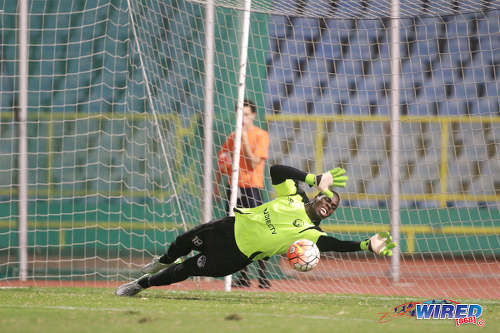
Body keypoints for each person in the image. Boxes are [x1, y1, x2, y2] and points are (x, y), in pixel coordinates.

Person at [115, 164, 397, 297]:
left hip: (236, 256)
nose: (329, 206)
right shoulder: (294, 195)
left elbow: (334, 244)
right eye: (327, 199)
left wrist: (365, 246)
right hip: (230, 227)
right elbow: (276, 170)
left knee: (188, 268)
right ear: (317, 195)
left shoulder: (311, 233)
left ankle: (141, 285)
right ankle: (161, 262)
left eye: (334, 207)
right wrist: (312, 178)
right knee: (182, 241)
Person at [215, 99, 270, 288]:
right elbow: (222, 161)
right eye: (240, 114)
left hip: (252, 189)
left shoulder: (261, 135)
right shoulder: (232, 137)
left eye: (246, 114)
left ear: (253, 115)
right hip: (234, 189)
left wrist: (244, 138)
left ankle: (263, 276)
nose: (243, 118)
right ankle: (243, 276)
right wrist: (216, 186)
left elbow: (254, 162)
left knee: (258, 232)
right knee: (236, 233)